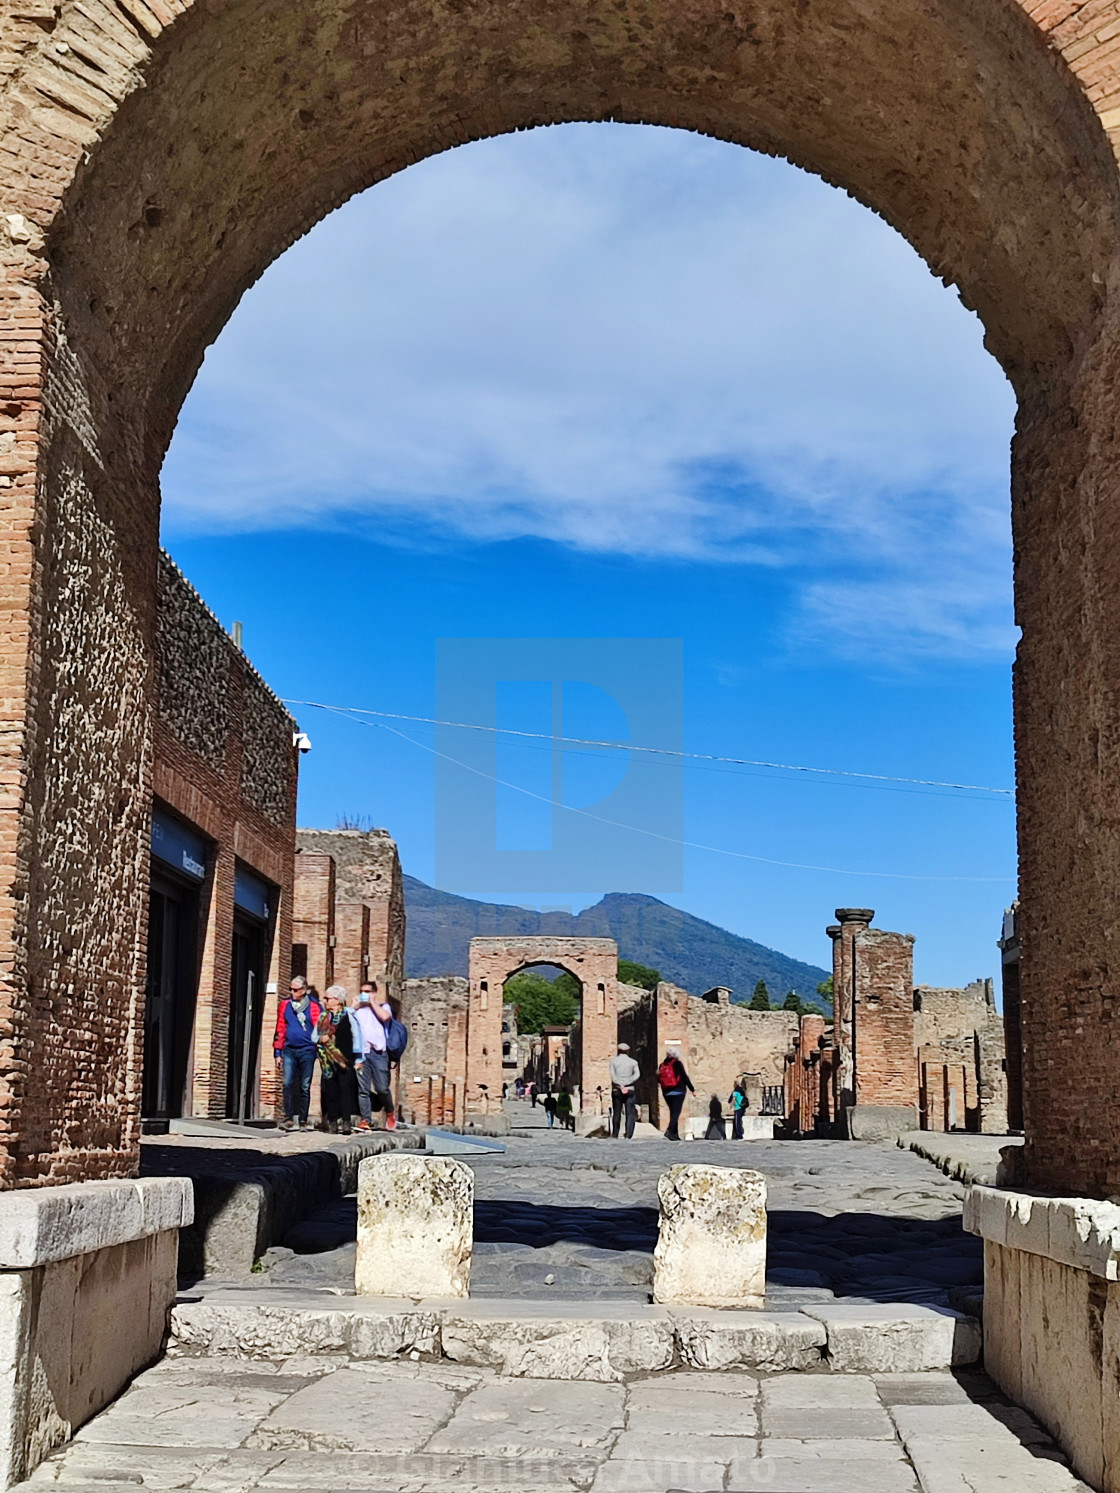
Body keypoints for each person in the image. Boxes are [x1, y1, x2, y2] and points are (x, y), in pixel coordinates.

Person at [273, 975, 321, 1131]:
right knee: (287, 1083)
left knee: (304, 1086)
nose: (292, 992)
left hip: (307, 1050)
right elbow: (280, 1028)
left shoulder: (314, 1007)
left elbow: (320, 1029)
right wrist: (277, 1052)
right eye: (290, 989)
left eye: (295, 990)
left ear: (304, 990)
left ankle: (302, 1120)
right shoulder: (285, 1005)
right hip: (289, 1049)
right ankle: (288, 1117)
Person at [353, 980, 396, 1131]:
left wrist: (372, 1002)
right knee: (363, 1089)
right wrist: (354, 1007)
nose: (364, 994)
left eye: (368, 991)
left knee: (382, 1088)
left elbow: (385, 1017)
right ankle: (366, 1120)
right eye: (362, 991)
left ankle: (390, 1111)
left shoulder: (384, 1007)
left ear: (374, 993)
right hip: (362, 1054)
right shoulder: (357, 1011)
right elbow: (346, 1023)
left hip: (379, 1053)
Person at [317, 985, 359, 1134]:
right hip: (327, 1060)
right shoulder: (323, 1017)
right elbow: (315, 1036)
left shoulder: (348, 1016)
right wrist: (320, 1039)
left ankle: (346, 1121)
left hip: (344, 1059)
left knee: (345, 1091)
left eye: (327, 998)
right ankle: (333, 1121)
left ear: (337, 1000)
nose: (325, 1001)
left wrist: (359, 1058)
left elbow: (357, 1036)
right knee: (330, 1091)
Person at [657, 1049, 695, 1141]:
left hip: (667, 1092)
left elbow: (659, 1079)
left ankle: (674, 1135)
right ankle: (669, 1131)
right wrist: (692, 1089)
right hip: (678, 1091)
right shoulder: (677, 1063)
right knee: (676, 1113)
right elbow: (684, 1076)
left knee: (673, 1112)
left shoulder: (662, 1065)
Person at [609, 1042, 641, 1140]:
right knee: (630, 1112)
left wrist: (619, 1083)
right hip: (629, 1088)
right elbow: (637, 1075)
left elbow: (613, 1076)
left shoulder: (613, 1062)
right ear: (628, 1051)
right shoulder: (633, 1062)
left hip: (617, 1089)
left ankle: (615, 1134)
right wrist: (628, 1082)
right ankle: (629, 1134)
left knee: (617, 1112)